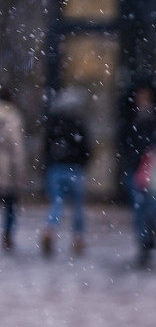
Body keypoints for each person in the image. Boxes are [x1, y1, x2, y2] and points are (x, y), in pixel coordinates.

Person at [120, 82, 156, 268]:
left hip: (154, 170)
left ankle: (150, 237)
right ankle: (143, 242)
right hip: (136, 169)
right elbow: (125, 140)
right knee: (139, 209)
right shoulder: (131, 116)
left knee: (153, 208)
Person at [41, 88, 92, 257]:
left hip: (56, 167)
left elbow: (46, 147)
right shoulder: (79, 123)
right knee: (78, 206)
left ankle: (50, 228)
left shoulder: (53, 123)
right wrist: (83, 162)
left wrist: (48, 163)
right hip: (74, 168)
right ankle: (78, 238)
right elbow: (87, 148)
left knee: (57, 202)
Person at [0, 87, 27, 252]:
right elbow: (17, 147)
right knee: (10, 204)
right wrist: (20, 170)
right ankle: (8, 236)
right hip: (6, 168)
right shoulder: (12, 116)